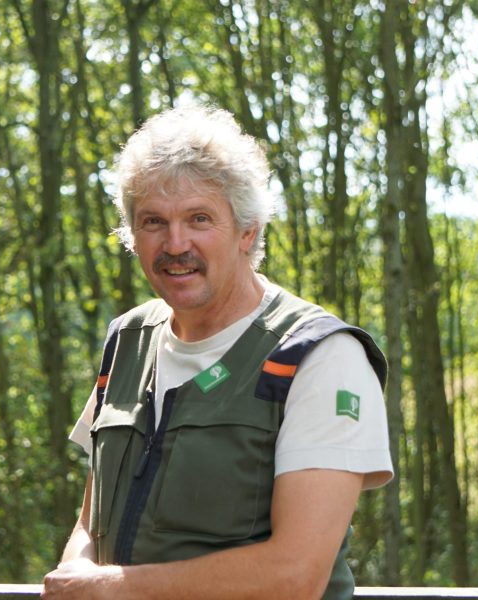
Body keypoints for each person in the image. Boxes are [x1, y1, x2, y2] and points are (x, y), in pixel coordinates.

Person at [42, 105, 392, 600]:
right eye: (153, 222)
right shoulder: (128, 339)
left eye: (199, 218)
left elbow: (296, 575)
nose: (175, 243)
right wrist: (75, 577)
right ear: (132, 236)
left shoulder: (320, 357)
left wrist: (116, 588)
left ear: (247, 231)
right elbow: (91, 527)